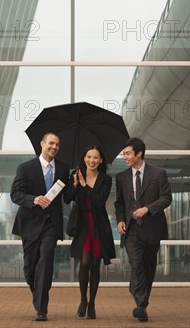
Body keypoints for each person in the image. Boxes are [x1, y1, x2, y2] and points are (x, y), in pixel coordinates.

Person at [10, 132, 70, 322]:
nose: (54, 147)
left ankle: (41, 308)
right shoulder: (25, 168)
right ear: (42, 144)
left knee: (45, 262)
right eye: (51, 143)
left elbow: (66, 196)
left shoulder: (63, 168)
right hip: (29, 223)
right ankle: (38, 293)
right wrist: (34, 199)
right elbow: (15, 194)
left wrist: (75, 184)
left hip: (51, 224)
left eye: (57, 145)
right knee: (30, 269)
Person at [114, 137, 172, 323]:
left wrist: (148, 209)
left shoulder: (158, 174)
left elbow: (166, 198)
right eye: (124, 154)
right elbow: (120, 203)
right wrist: (120, 220)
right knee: (136, 263)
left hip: (152, 229)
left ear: (139, 153)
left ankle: (142, 305)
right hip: (131, 230)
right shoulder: (121, 177)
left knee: (148, 267)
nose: (125, 157)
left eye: (128, 153)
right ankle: (140, 302)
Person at [64, 146, 116, 320]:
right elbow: (67, 198)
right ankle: (82, 300)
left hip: (99, 226)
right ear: (84, 158)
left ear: (101, 160)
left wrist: (85, 185)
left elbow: (99, 203)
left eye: (96, 158)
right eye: (88, 157)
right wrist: (75, 184)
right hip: (82, 225)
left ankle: (92, 303)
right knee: (85, 261)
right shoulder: (76, 174)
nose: (92, 161)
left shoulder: (106, 179)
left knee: (95, 264)